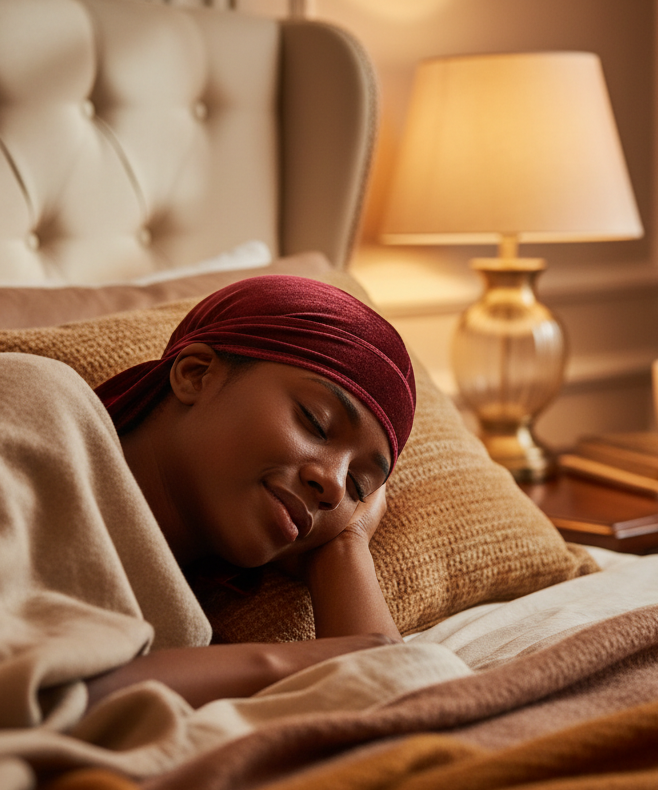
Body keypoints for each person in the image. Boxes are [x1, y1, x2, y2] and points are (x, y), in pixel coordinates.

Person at [83, 274, 417, 709]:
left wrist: (345, 548)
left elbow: (398, 715)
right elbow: (4, 686)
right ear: (196, 374)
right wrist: (285, 666)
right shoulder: (32, 400)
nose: (335, 486)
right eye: (316, 421)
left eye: (359, 487)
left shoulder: (180, 626)